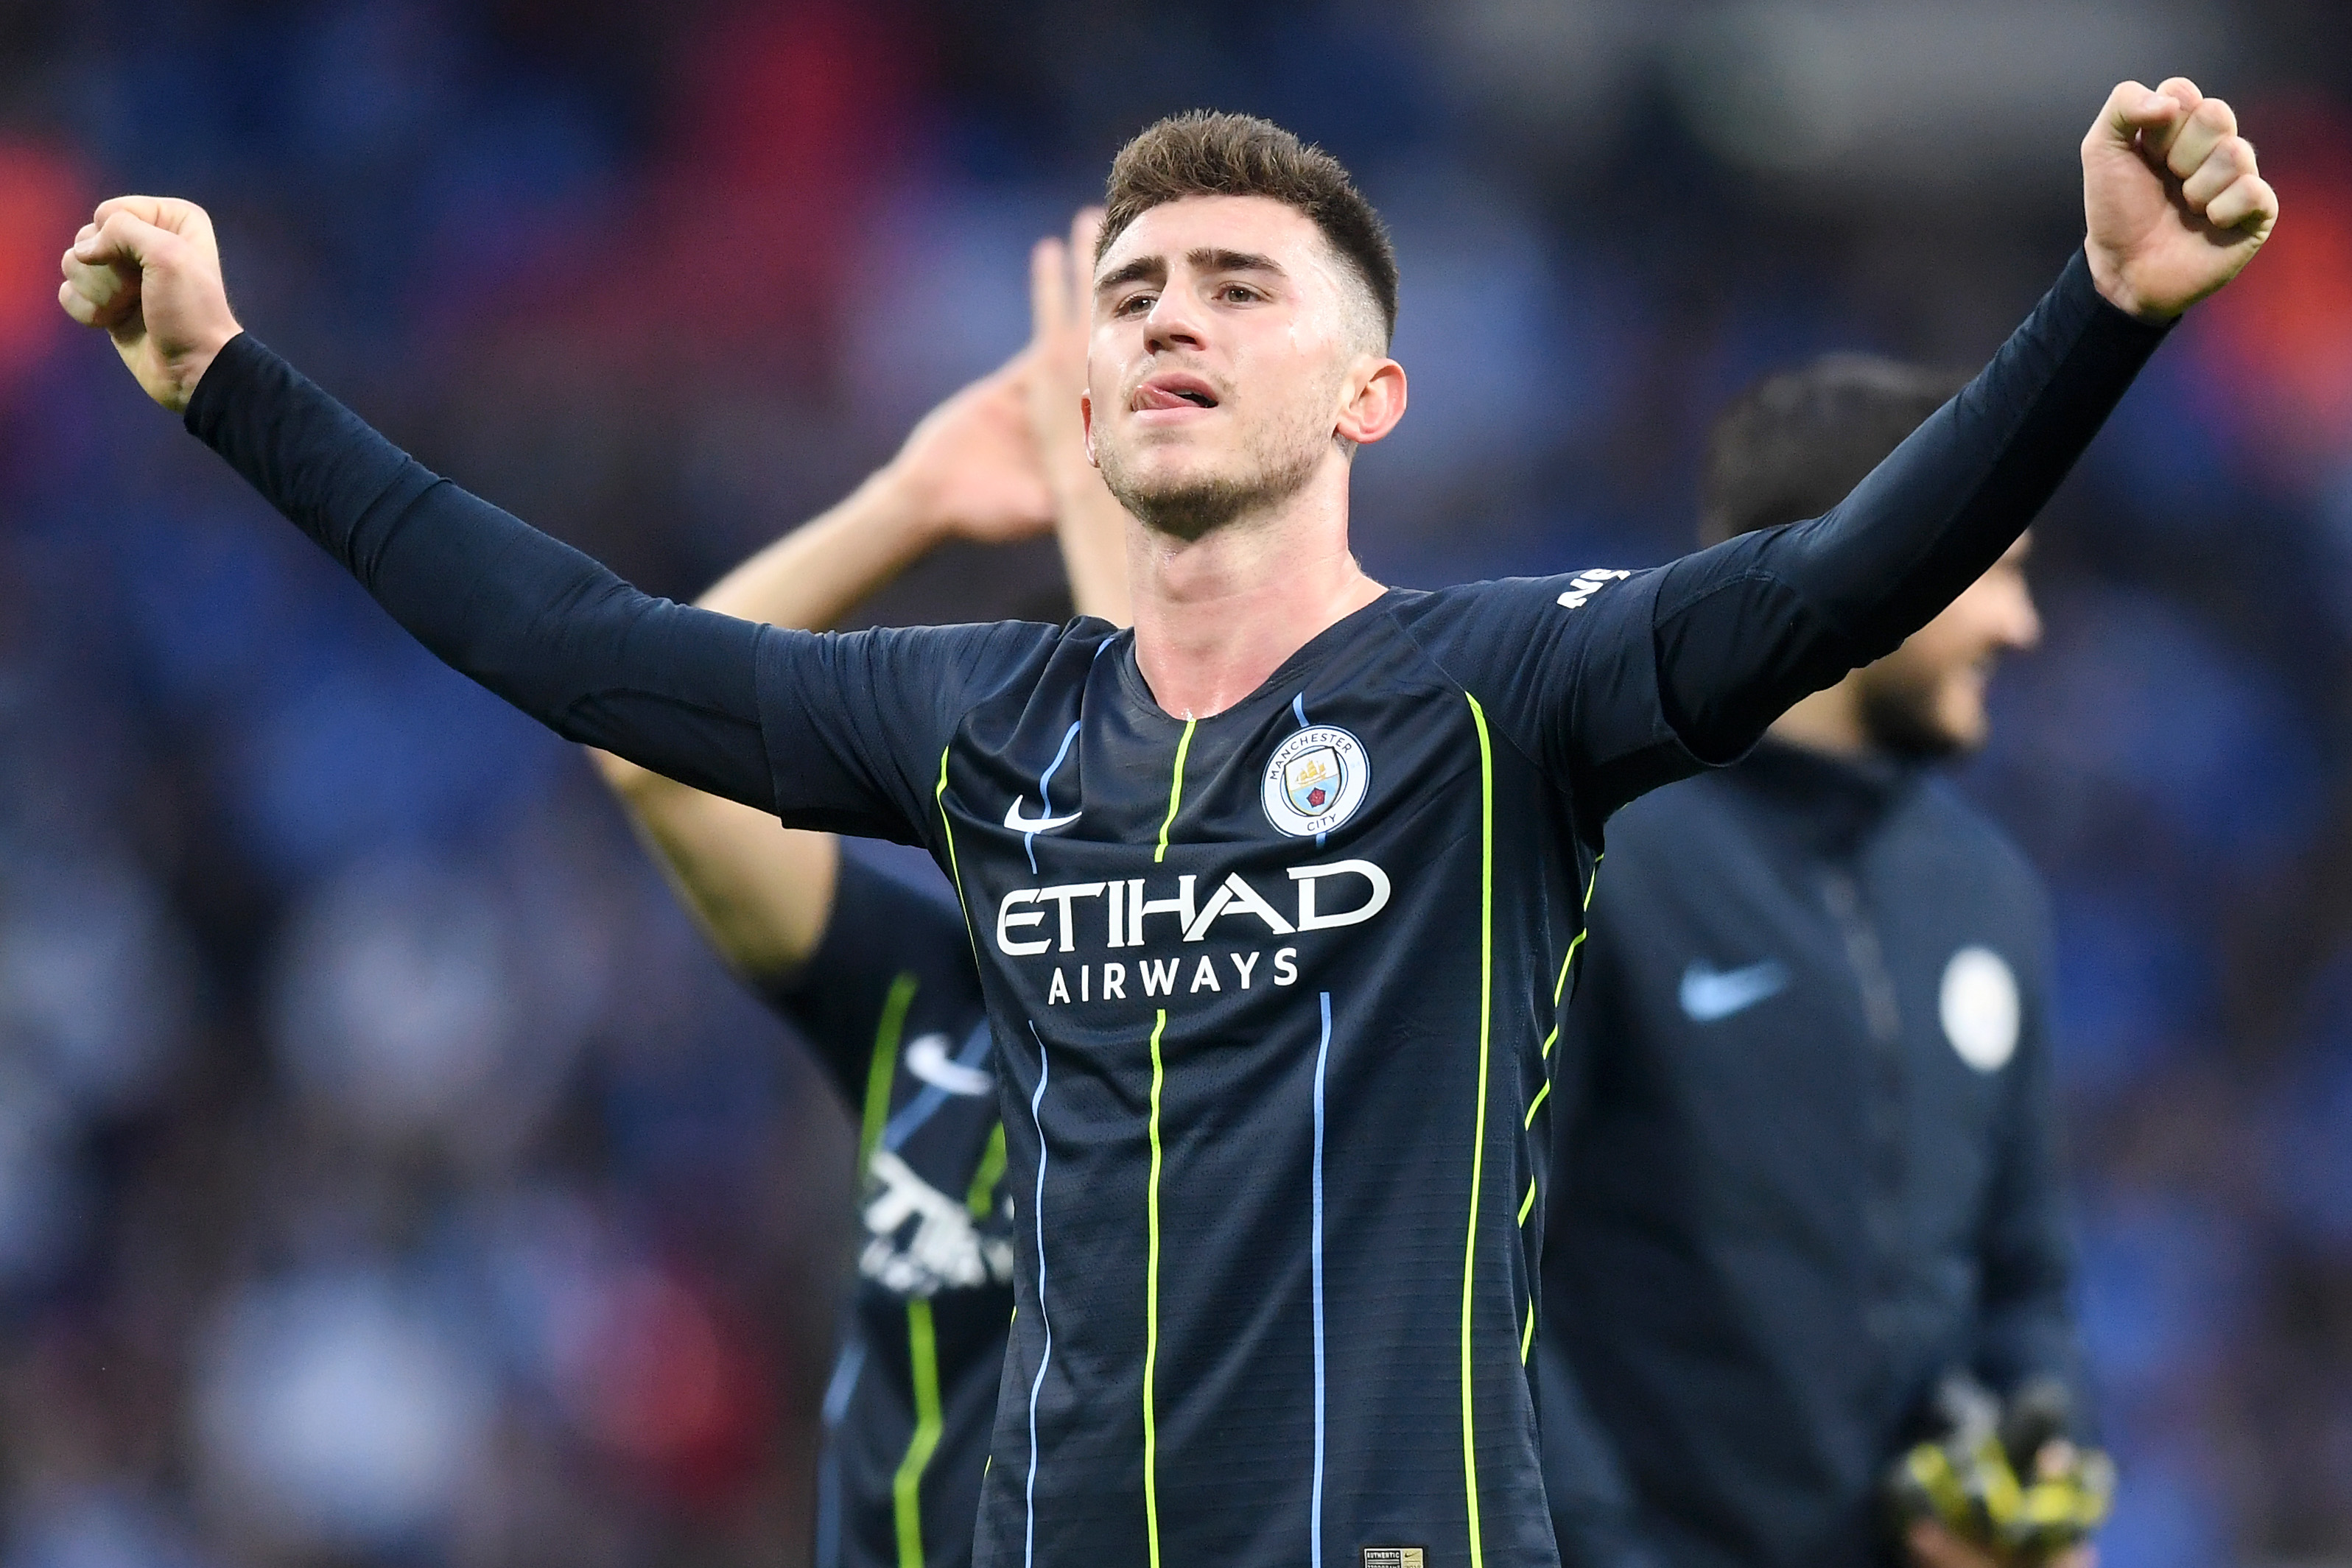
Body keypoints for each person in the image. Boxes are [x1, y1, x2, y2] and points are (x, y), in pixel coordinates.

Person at [59, 78, 2271, 1568]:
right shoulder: (985, 717)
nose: (1167, 320)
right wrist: (232, 383)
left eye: (1236, 287)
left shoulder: (1500, 695)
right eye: (1130, 296)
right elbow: (591, 654)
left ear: (1370, 392)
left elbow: (1840, 580)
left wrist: (2097, 316)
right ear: (1096, 404)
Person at [588, 213, 1128, 1568]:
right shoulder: (919, 996)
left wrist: (1125, 526)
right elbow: (652, 753)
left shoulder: (1278, 1010)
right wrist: (910, 504)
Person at [1537, 357, 2095, 1568]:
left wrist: (2029, 1475)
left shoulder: (1985, 887)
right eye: (1995, 571)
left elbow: (2024, 1278)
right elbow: (1485, 1281)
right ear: (1873, 558)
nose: (2020, 625)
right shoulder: (1595, 859)